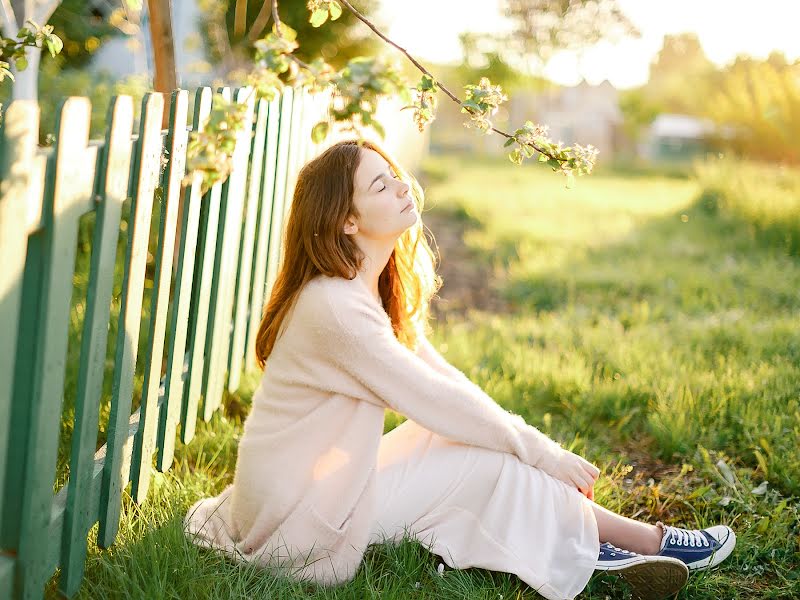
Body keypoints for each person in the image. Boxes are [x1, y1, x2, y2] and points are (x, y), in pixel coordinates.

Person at [183, 139, 736, 600]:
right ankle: (635, 543)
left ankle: (601, 543)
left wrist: (520, 437)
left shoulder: (362, 291)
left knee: (484, 439)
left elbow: (445, 382)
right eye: (381, 186)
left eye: (394, 175)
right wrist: (538, 450)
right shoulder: (335, 307)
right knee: (488, 461)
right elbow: (435, 401)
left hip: (314, 492)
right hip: (295, 526)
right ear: (347, 221)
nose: (402, 187)